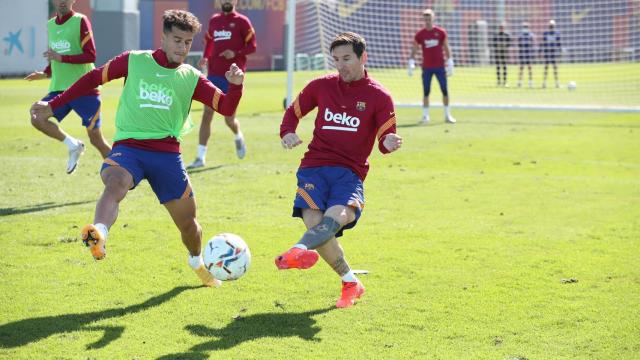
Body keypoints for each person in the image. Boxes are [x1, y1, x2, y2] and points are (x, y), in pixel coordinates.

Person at [30, 10, 245, 288]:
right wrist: (53, 104)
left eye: (188, 42)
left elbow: (226, 107)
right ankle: (100, 233)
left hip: (168, 155)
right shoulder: (133, 60)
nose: (182, 47)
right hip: (128, 148)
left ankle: (196, 261)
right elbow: (92, 79)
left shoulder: (191, 77)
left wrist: (237, 87)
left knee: (190, 226)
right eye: (177, 40)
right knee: (116, 181)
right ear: (164, 36)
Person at [275, 32, 403, 308]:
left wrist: (388, 142)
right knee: (315, 225)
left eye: (346, 58)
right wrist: (287, 132)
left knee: (338, 216)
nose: (340, 65)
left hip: (349, 172)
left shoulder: (379, 96)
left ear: (363, 57)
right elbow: (293, 112)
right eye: (336, 59)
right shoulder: (321, 86)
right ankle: (350, 283)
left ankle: (298, 250)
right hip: (313, 167)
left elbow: (385, 139)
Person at [25, 0, 111, 174]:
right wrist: (45, 72)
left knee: (96, 140)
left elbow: (91, 55)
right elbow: (54, 56)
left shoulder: (81, 20)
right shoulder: (50, 24)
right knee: (37, 116)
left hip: (85, 90)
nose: (62, 1)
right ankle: (73, 145)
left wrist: (61, 58)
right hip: (59, 89)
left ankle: (122, 172)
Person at [186, 0, 256, 169]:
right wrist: (205, 56)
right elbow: (209, 42)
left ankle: (238, 135)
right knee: (207, 114)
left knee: (229, 118)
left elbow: (252, 46)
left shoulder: (242, 21)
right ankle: (200, 157)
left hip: (233, 77)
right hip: (214, 74)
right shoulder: (214, 20)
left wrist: (236, 52)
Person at [408, 8, 455, 125]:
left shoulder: (441, 32)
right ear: (423, 20)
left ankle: (447, 115)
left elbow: (446, 47)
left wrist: (450, 61)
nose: (428, 21)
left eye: (429, 18)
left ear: (433, 18)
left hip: (440, 67)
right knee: (426, 92)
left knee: (444, 91)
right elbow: (415, 48)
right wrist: (411, 61)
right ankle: (425, 116)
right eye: (426, 19)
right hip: (427, 68)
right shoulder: (420, 34)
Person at [541, 19, 561, 88]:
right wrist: (540, 51)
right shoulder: (546, 33)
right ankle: (544, 83)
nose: (551, 27)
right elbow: (543, 43)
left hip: (553, 52)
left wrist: (560, 51)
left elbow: (559, 43)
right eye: (550, 25)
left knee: (555, 68)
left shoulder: (557, 33)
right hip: (547, 52)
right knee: (546, 68)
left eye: (552, 25)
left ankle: (557, 83)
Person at [492, 22, 511, 87]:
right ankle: (498, 81)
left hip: (504, 53)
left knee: (504, 67)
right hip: (497, 52)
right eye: (501, 27)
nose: (502, 28)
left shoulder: (507, 35)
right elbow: (493, 43)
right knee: (498, 67)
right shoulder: (496, 35)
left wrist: (505, 46)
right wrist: (498, 46)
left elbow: (509, 43)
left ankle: (505, 82)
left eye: (503, 27)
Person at [517, 22, 535, 88]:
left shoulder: (530, 34)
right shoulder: (520, 34)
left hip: (528, 53)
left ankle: (530, 82)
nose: (525, 28)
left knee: (530, 68)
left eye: (526, 27)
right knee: (521, 68)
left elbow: (532, 43)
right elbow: (519, 43)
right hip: (522, 53)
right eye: (524, 27)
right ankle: (519, 82)